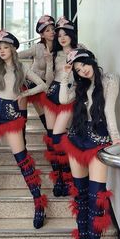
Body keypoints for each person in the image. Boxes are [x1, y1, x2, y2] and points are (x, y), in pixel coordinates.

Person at [61, 48, 120, 239]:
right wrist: (66, 75)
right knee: (80, 199)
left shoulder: (109, 79)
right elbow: (61, 100)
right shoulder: (78, 86)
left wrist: (116, 138)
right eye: (78, 69)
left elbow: (109, 110)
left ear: (91, 60)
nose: (82, 70)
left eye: (83, 65)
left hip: (99, 143)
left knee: (96, 200)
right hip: (77, 140)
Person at [0, 30, 48, 229]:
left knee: (22, 159)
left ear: (13, 49)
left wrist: (26, 93)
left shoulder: (22, 67)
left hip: (12, 116)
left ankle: (39, 203)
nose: (2, 51)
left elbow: (43, 84)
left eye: (5, 47)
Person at [41, 16, 78, 197]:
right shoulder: (54, 53)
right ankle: (58, 180)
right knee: (50, 137)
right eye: (59, 34)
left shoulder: (80, 51)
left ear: (71, 35)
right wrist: (48, 61)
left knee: (58, 136)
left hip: (68, 97)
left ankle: (68, 176)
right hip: (51, 95)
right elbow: (48, 81)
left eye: (65, 34)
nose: (62, 37)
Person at [18, 15, 55, 134]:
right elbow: (18, 55)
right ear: (42, 34)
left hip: (47, 84)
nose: (52, 32)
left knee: (46, 116)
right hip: (31, 82)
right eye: (47, 30)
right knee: (22, 108)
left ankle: (53, 141)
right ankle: (21, 142)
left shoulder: (59, 48)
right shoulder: (38, 48)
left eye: (53, 29)